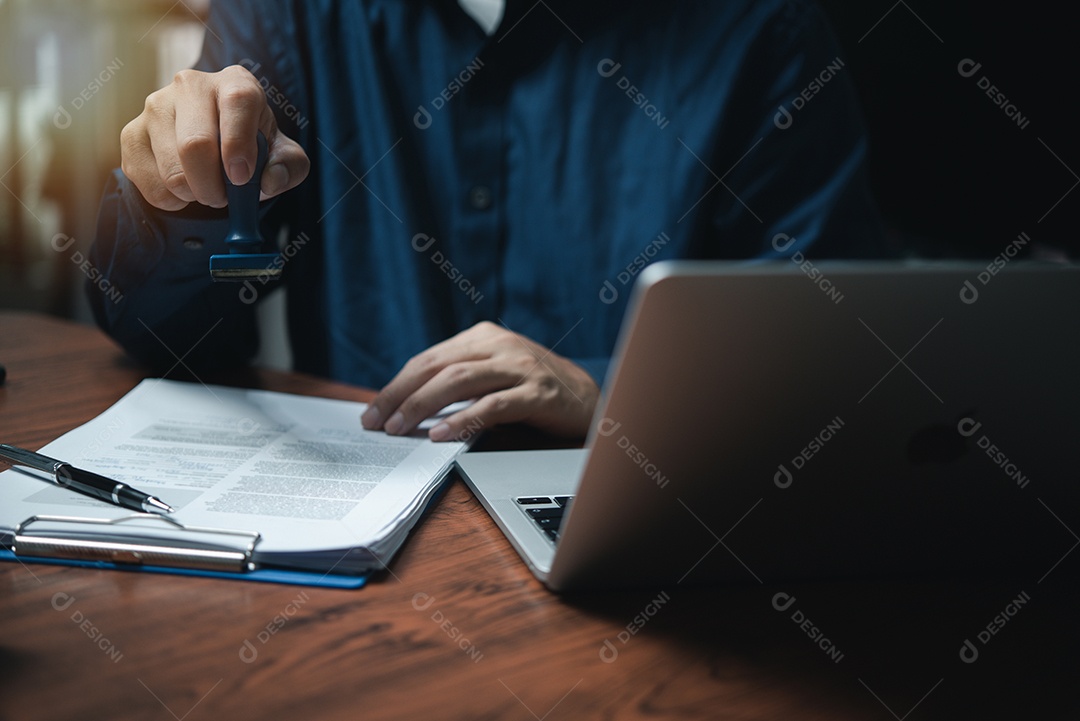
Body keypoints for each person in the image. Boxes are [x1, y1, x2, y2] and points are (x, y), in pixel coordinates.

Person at [89, 0, 884, 442]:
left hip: (647, 547)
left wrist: (609, 395)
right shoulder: (293, 11)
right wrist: (183, 202)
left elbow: (831, 366)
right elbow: (174, 338)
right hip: (360, 548)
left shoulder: (765, 28)